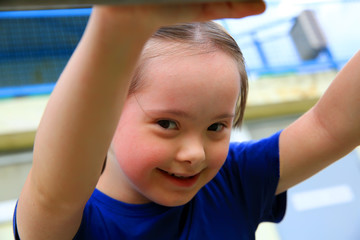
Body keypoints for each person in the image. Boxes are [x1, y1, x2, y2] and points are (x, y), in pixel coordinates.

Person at [13, 3, 360, 240]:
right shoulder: (71, 221)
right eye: (167, 124)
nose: (195, 153)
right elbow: (52, 193)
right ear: (106, 116)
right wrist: (117, 23)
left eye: (216, 127)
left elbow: (329, 126)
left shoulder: (234, 180)